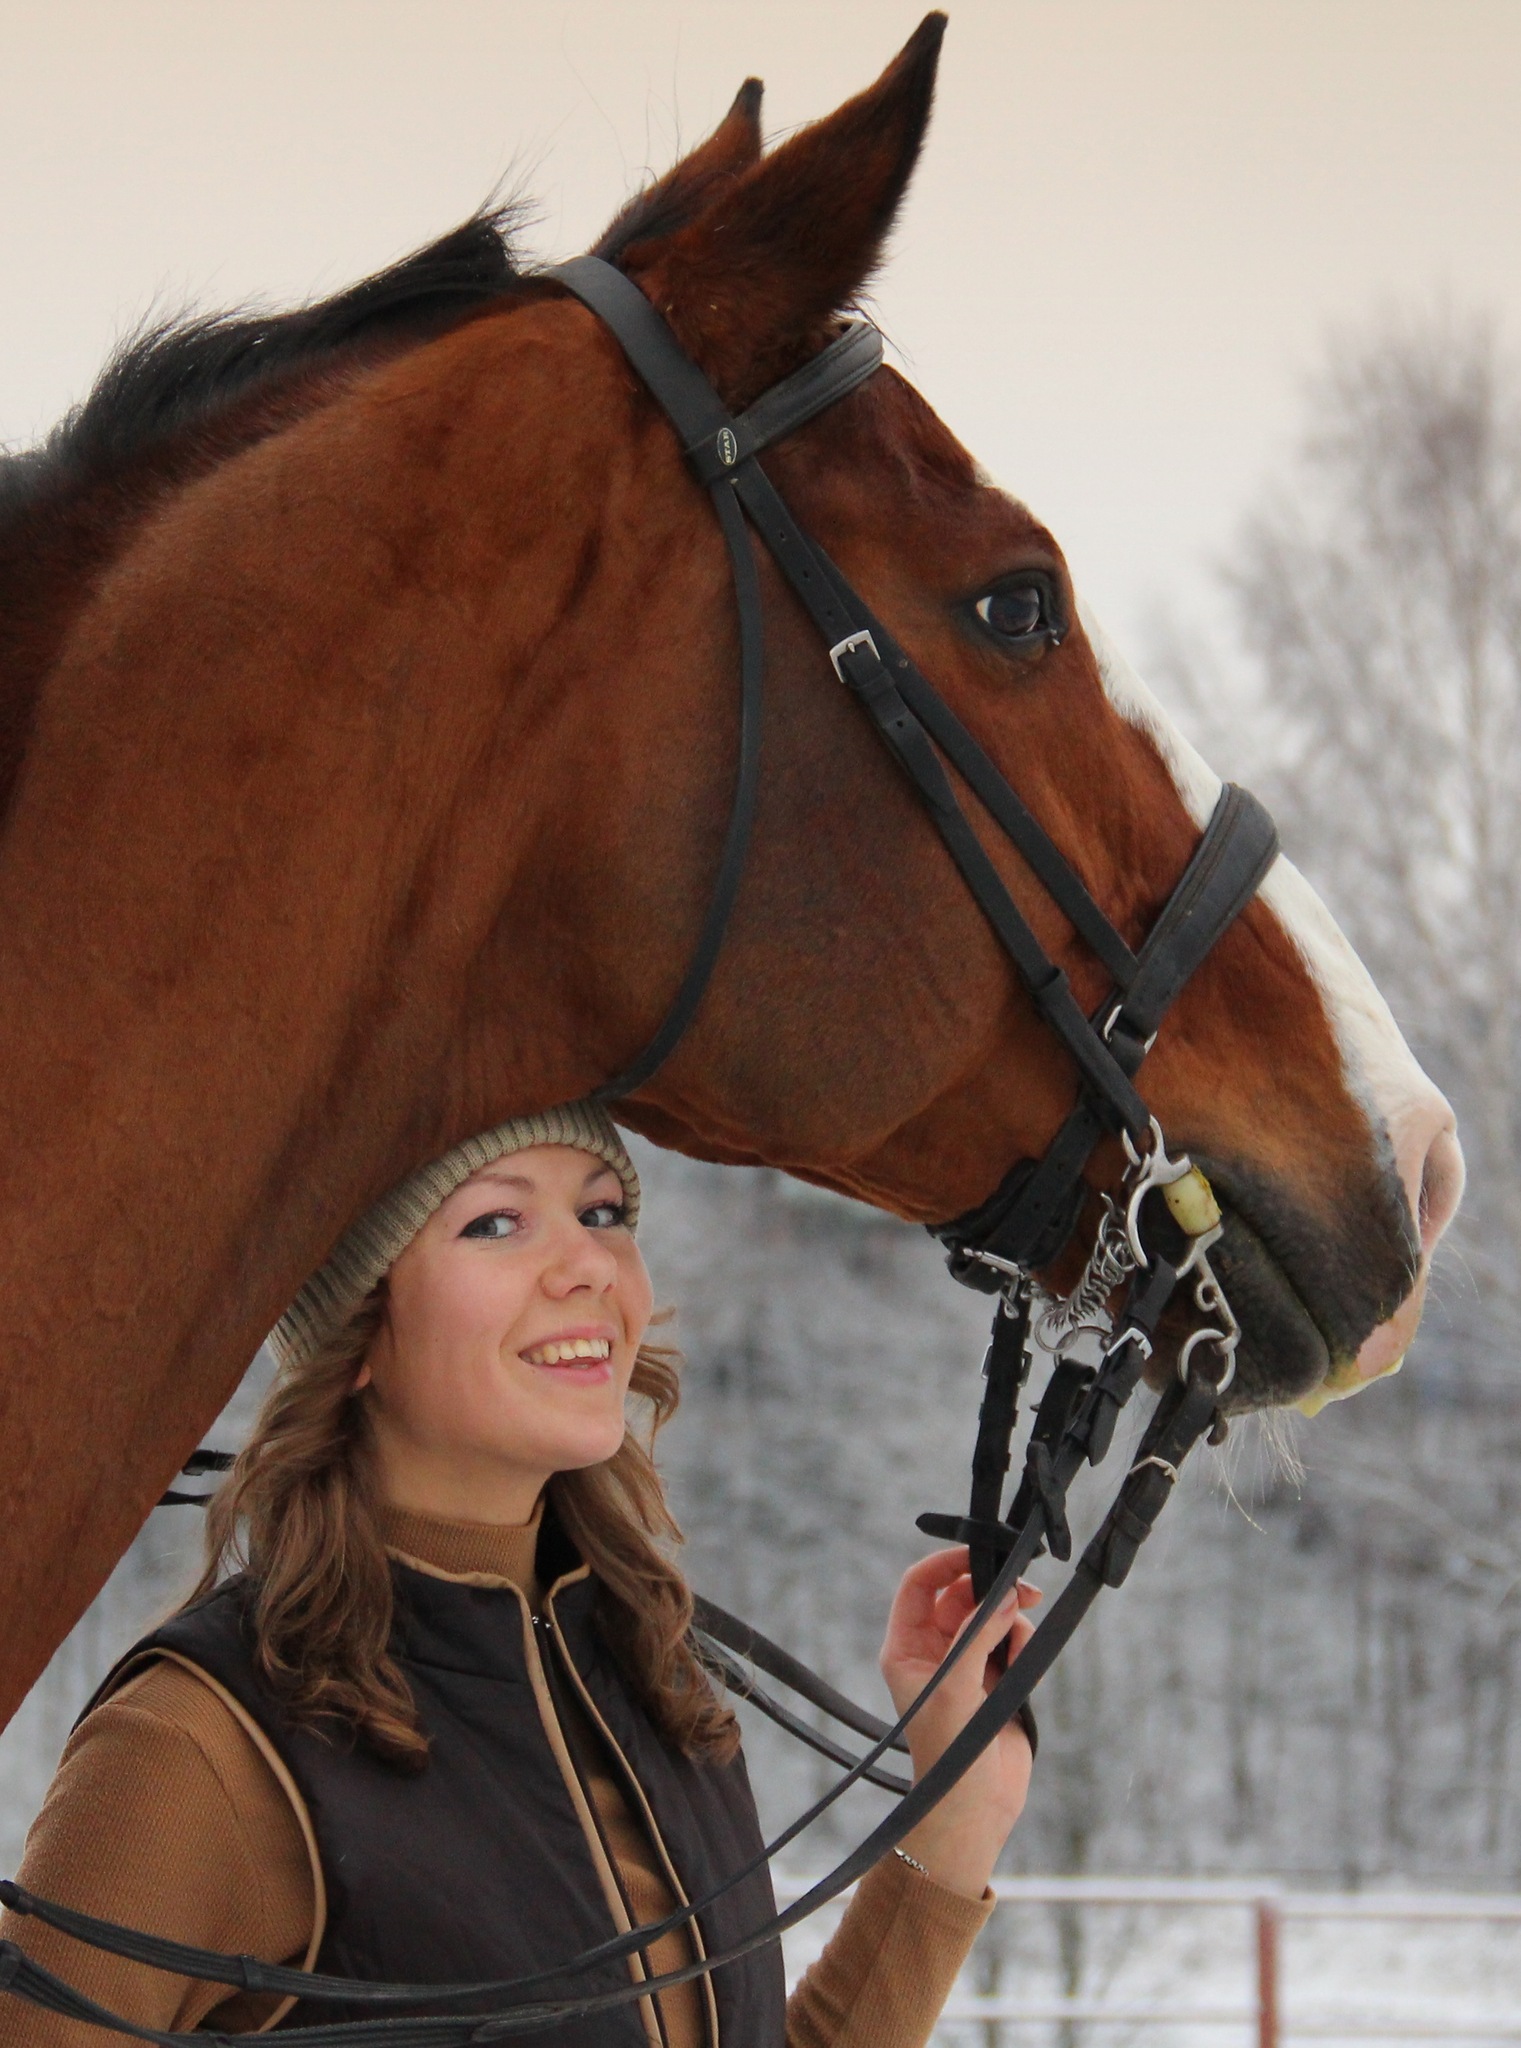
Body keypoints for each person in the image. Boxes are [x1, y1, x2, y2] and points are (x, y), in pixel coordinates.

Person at [0, 1101, 1037, 2046]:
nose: (587, 1263)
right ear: (355, 1331)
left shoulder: (655, 1680)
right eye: (495, 1223)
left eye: (602, 1211)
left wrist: (955, 1819)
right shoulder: (200, 1744)